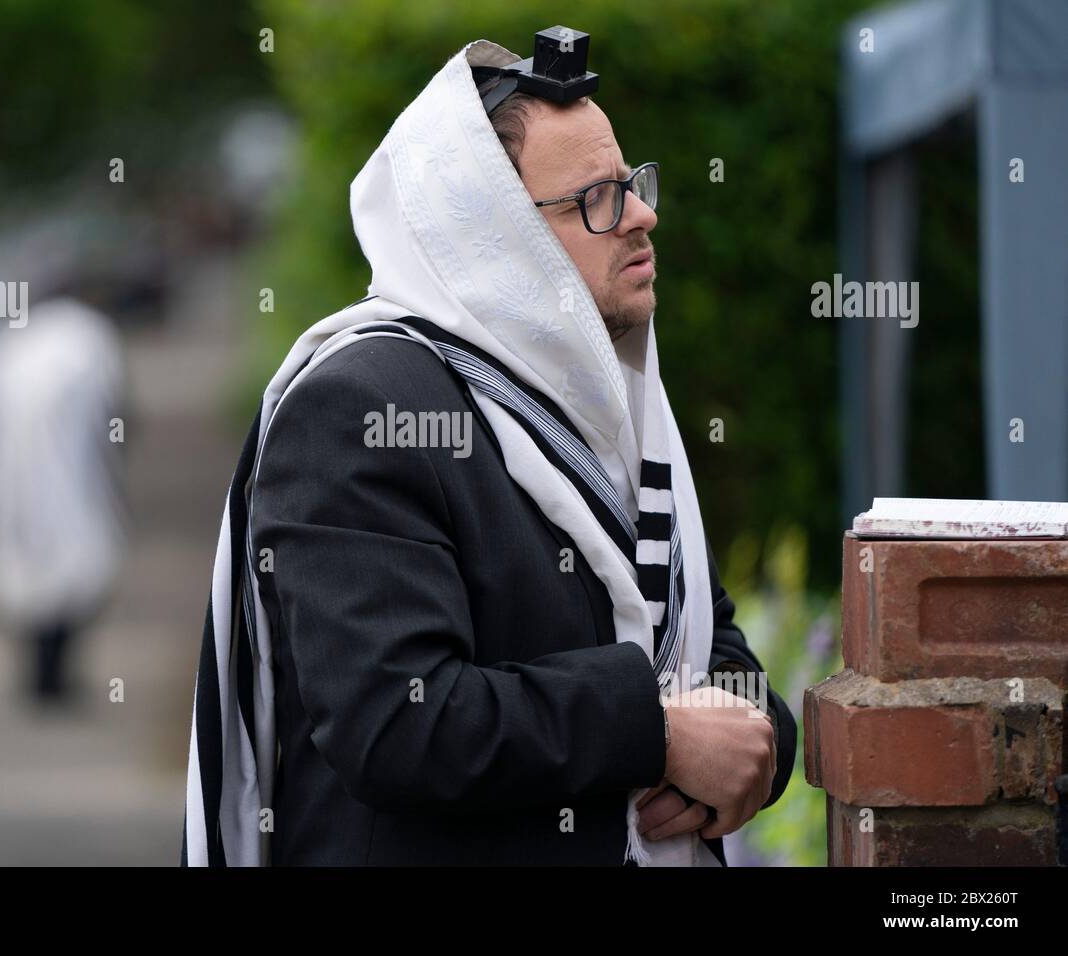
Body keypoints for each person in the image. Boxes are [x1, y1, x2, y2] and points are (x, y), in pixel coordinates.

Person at [183, 34, 796, 866]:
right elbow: (398, 722)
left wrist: (755, 742)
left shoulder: (600, 397)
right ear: (496, 236)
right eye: (597, 199)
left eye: (633, 186)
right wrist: (652, 733)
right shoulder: (360, 404)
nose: (644, 215)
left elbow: (706, 641)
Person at [0, 297, 127, 704]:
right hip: (61, 484)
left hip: (25, 486)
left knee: (37, 580)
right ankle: (48, 679)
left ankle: (44, 678)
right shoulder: (81, 345)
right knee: (57, 581)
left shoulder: (10, 351)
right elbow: (116, 420)